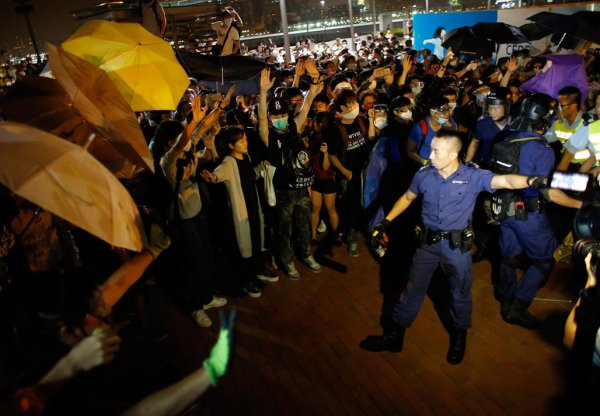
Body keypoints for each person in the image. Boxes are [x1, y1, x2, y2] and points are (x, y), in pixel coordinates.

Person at [359, 128, 543, 364]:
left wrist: (531, 180)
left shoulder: (473, 177)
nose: (430, 155)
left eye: (436, 151)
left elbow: (505, 180)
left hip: (457, 248)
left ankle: (459, 336)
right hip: (427, 244)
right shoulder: (424, 175)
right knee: (411, 289)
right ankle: (395, 336)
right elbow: (407, 198)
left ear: (453, 154)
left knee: (460, 292)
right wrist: (385, 222)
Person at [493, 96, 557, 329]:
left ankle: (506, 296)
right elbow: (541, 187)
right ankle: (517, 308)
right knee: (543, 261)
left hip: (503, 210)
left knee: (509, 258)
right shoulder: (542, 149)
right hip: (527, 214)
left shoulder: (506, 139)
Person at [258, 62, 322, 279]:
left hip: (302, 189)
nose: (279, 119)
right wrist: (263, 92)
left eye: (282, 115)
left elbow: (308, 102)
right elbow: (260, 120)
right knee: (284, 230)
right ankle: (287, 261)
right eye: (274, 117)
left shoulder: (295, 126)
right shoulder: (268, 136)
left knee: (303, 225)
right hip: (283, 192)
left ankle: (305, 254)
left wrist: (314, 80)